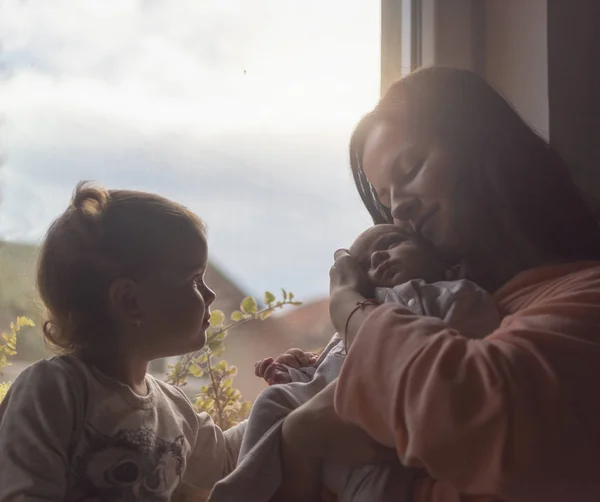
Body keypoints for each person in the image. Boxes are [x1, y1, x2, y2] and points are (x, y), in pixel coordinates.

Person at [278, 66, 600, 502]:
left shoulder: (584, 294)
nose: (399, 209)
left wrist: (348, 307)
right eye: (386, 198)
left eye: (410, 170)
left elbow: (482, 412)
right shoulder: (459, 309)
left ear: (485, 146)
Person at [209, 223, 499, 502]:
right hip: (333, 419)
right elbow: (326, 372)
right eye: (363, 265)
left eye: (391, 242)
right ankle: (241, 491)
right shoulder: (354, 316)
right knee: (273, 398)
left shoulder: (455, 293)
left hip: (386, 429)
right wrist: (296, 373)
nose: (377, 257)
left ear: (450, 264)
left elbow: (466, 350)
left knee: (380, 484)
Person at [0, 183, 246, 501]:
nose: (210, 294)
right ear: (129, 301)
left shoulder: (175, 408)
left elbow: (225, 459)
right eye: (194, 279)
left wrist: (297, 391)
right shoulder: (54, 390)